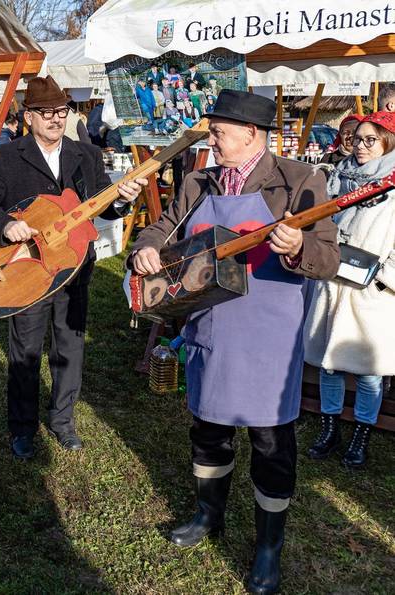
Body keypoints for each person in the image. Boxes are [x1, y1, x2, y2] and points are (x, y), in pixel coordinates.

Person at [130, 89, 339, 594]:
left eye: (219, 132)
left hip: (267, 334)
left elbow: (329, 257)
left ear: (251, 134)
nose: (213, 141)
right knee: (208, 427)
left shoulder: (299, 181)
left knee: (270, 442)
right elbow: (160, 226)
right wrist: (146, 248)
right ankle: (209, 514)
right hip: (209, 327)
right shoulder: (199, 181)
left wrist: (297, 247)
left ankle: (268, 547)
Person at [0, 76, 147, 459]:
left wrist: (123, 201)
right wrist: (6, 225)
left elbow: (101, 204)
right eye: (46, 113)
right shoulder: (9, 157)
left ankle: (63, 421)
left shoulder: (87, 155)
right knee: (26, 348)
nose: (55, 119)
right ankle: (23, 427)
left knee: (70, 345)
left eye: (61, 111)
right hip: (27, 269)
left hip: (74, 266)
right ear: (28, 116)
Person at [304, 111, 395, 469]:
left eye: (369, 140)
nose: (359, 146)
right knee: (329, 365)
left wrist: (382, 279)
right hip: (334, 283)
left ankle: (361, 435)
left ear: (387, 142)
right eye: (356, 138)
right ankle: (329, 430)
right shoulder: (339, 178)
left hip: (371, 291)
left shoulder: (392, 186)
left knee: (369, 371)